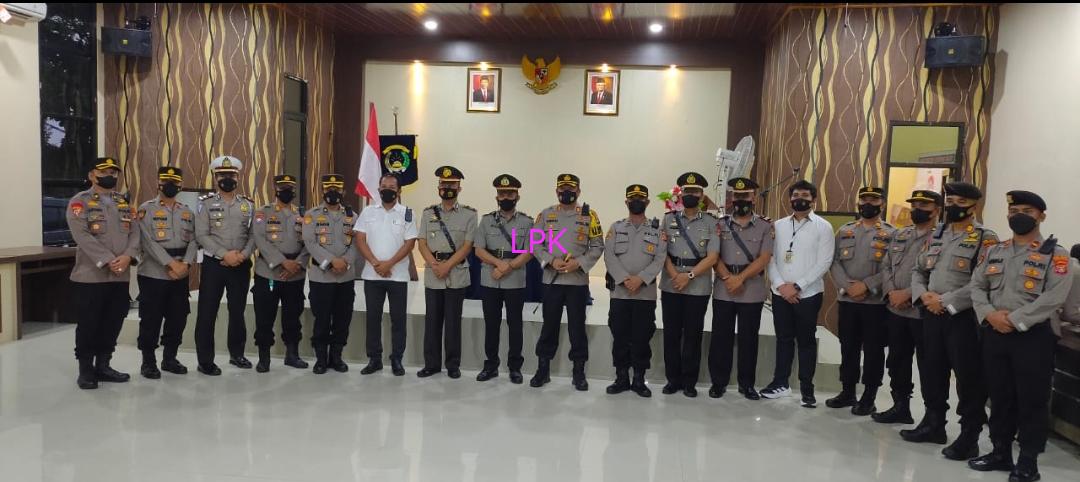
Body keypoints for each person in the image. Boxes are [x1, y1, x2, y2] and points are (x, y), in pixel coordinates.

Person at [967, 190, 1072, 482]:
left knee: (1032, 399)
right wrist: (989, 315)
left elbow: (1054, 297)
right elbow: (977, 286)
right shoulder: (995, 251)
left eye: (1027, 211)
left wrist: (1013, 320)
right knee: (999, 396)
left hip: (1033, 337)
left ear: (1041, 216)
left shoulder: (1056, 255)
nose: (1019, 216)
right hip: (995, 333)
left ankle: (1028, 461)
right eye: (1014, 211)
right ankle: (1000, 452)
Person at [901, 182, 999, 462]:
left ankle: (969, 436)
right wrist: (923, 295)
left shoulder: (985, 238)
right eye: (950, 201)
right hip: (931, 315)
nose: (953, 206)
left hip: (962, 317)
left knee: (968, 379)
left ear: (974, 206)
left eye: (960, 202)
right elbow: (918, 270)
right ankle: (934, 424)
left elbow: (983, 281)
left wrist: (945, 301)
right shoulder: (938, 234)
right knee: (932, 371)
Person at [67, 157, 140, 389]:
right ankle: (86, 370)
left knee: (113, 322)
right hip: (91, 276)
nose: (110, 175)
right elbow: (82, 235)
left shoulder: (124, 203)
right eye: (104, 171)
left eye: (113, 172)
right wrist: (109, 260)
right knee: (89, 324)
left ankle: (104, 366)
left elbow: (135, 234)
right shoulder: (80, 202)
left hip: (120, 275)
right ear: (92, 175)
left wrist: (128, 256)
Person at [762, 180, 835, 408]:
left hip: (809, 294)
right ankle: (780, 383)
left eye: (804, 195)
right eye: (795, 195)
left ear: (813, 200)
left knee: (806, 342)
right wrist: (780, 285)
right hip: (780, 293)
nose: (799, 199)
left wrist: (798, 286)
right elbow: (770, 258)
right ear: (790, 199)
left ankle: (807, 389)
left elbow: (824, 262)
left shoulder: (823, 227)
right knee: (783, 339)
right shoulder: (778, 225)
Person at [873, 190, 943, 424]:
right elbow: (886, 266)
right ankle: (900, 406)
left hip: (923, 313)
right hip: (896, 310)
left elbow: (937, 276)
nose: (917, 209)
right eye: (914, 205)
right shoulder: (901, 234)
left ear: (937, 210)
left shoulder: (943, 237)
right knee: (897, 361)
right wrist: (891, 292)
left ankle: (932, 418)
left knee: (928, 366)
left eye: (924, 205)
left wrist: (908, 294)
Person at [530, 173, 604, 391]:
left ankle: (578, 372)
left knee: (577, 329)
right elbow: (535, 244)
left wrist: (578, 263)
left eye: (571, 189)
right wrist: (551, 260)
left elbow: (597, 246)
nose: (566, 192)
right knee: (549, 327)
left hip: (577, 282)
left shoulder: (589, 215)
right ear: (556, 191)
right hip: (551, 281)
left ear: (578, 191)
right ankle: (543, 370)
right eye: (562, 189)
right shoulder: (546, 214)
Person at [826, 187, 895, 415]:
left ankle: (869, 396)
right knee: (848, 348)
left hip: (875, 304)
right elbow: (834, 262)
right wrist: (848, 287)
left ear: (882, 204)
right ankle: (847, 391)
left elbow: (892, 268)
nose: (868, 203)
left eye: (873, 200)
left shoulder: (892, 233)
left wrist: (866, 285)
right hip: (848, 302)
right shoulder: (845, 231)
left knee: (874, 351)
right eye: (864, 199)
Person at [708, 177, 774, 400]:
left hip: (751, 290)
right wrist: (728, 278)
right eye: (737, 196)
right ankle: (718, 383)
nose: (740, 199)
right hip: (723, 288)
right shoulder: (720, 224)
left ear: (753, 198)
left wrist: (740, 278)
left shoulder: (765, 226)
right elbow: (713, 256)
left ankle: (747, 384)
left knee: (748, 339)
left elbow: (764, 257)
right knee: (721, 338)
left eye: (745, 195)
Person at [659, 172, 720, 398]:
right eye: (687, 191)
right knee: (671, 334)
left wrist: (689, 276)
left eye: (695, 192)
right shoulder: (668, 220)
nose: (690, 195)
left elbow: (712, 257)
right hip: (671, 283)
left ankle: (689, 381)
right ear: (680, 194)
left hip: (698, 286)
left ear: (702, 195)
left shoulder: (711, 222)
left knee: (693, 334)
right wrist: (675, 275)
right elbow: (662, 252)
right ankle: (672, 379)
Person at [194, 155, 256, 376]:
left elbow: (253, 235)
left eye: (231, 175)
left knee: (237, 311)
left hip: (240, 264)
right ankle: (205, 361)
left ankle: (237, 354)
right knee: (207, 313)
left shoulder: (248, 205)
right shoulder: (205, 204)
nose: (227, 179)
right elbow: (201, 234)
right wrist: (224, 254)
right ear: (215, 177)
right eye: (222, 175)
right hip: (214, 265)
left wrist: (243, 255)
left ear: (238, 177)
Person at [603, 184, 666, 398]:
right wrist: (624, 279)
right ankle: (621, 378)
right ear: (626, 202)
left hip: (645, 294)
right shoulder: (616, 227)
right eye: (632, 199)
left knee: (642, 337)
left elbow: (660, 258)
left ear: (647, 202)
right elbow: (609, 256)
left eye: (640, 199)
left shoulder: (657, 230)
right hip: (620, 294)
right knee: (619, 335)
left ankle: (639, 379)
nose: (636, 202)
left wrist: (641, 279)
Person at [136, 166, 197, 379]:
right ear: (158, 183)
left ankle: (170, 358)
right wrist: (170, 264)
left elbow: (194, 241)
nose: (170, 185)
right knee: (151, 319)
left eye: (175, 182)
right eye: (166, 181)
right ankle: (148, 362)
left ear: (181, 185)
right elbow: (147, 242)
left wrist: (185, 264)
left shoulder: (187, 211)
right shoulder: (146, 209)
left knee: (178, 318)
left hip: (180, 274)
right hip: (153, 273)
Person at [355, 173, 418, 377]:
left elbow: (410, 243)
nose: (387, 190)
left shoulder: (407, 213)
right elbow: (360, 239)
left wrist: (388, 264)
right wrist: (376, 264)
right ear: (378, 189)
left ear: (399, 191)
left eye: (392, 187)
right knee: (373, 319)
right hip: (372, 276)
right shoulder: (368, 212)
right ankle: (374, 359)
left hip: (397, 276)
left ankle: (397, 359)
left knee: (398, 320)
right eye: (384, 187)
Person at [417, 166, 477, 379]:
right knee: (432, 321)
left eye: (452, 184)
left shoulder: (470, 214)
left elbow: (467, 246)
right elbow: (422, 243)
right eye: (444, 184)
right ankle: (431, 364)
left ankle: (453, 364)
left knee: (453, 322)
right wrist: (434, 264)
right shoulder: (428, 213)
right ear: (438, 187)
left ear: (459, 188)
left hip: (456, 274)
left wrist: (446, 266)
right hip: (433, 273)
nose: (447, 187)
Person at [474, 174, 533, 384]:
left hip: (515, 280)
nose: (505, 197)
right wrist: (498, 264)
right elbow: (479, 249)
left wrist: (508, 266)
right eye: (502, 193)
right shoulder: (486, 220)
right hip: (490, 278)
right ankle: (490, 366)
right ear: (497, 197)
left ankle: (515, 367)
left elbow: (529, 251)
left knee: (515, 325)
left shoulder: (527, 222)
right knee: (491, 324)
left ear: (517, 196)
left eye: (510, 193)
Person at [251, 174, 310, 372]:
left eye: (290, 188)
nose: (286, 191)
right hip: (269, 274)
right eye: (282, 187)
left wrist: (297, 264)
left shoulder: (302, 215)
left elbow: (309, 243)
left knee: (293, 316)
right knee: (264, 316)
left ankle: (292, 354)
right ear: (275, 190)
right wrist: (282, 262)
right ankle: (264, 357)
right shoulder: (263, 212)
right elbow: (260, 239)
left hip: (295, 274)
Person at [304, 174, 360, 374]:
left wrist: (345, 262)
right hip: (321, 277)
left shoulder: (353, 217)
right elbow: (310, 243)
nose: (332, 192)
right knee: (321, 319)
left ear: (343, 191)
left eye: (337, 189)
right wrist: (331, 262)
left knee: (342, 319)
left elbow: (357, 243)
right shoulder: (312, 215)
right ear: (323, 191)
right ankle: (321, 358)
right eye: (328, 189)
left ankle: (336, 357)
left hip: (345, 277)